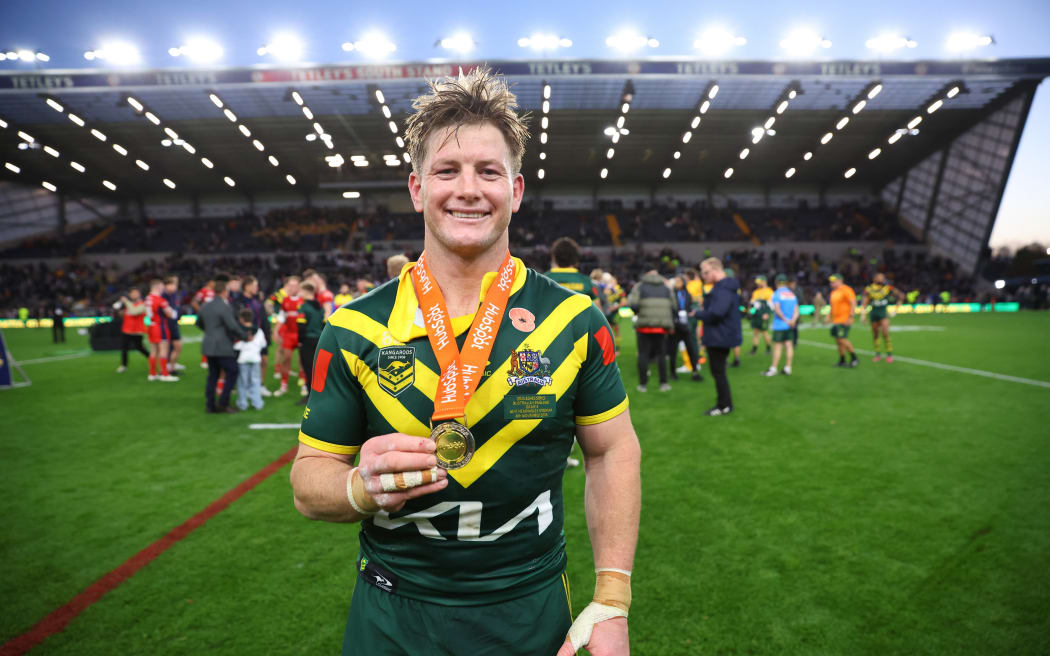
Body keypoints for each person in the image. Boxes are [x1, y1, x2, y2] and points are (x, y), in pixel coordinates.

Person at [289, 67, 640, 656]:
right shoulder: (354, 328)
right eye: (446, 171)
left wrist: (611, 600)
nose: (469, 189)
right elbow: (308, 479)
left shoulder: (573, 321)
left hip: (531, 610)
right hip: (392, 614)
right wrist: (357, 486)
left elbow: (612, 450)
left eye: (489, 171)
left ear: (517, 191)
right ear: (417, 189)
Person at [690, 258, 741, 416]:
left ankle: (724, 405)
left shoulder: (723, 288)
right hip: (721, 335)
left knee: (718, 372)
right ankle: (724, 404)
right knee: (718, 372)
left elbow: (718, 312)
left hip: (720, 336)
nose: (703, 276)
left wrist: (698, 314)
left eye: (705, 272)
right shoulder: (722, 287)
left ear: (715, 270)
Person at [197, 280, 248, 413]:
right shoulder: (224, 307)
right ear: (225, 292)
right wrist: (244, 336)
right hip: (222, 345)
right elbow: (232, 326)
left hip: (208, 344)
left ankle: (210, 405)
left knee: (213, 375)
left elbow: (198, 323)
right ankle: (224, 403)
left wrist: (210, 332)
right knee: (233, 370)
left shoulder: (205, 306)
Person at [627, 268, 675, 392]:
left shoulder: (640, 286)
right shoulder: (666, 288)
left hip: (644, 326)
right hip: (661, 327)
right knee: (661, 355)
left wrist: (639, 312)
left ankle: (643, 384)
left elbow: (632, 304)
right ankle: (663, 383)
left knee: (643, 354)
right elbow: (674, 306)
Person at [270, 275, 304, 397]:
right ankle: (284, 385)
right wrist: (275, 331)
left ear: (299, 286)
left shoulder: (304, 300)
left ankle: (304, 384)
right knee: (286, 359)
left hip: (301, 335)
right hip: (289, 335)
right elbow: (281, 318)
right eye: (290, 285)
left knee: (302, 360)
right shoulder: (285, 301)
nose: (292, 287)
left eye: (295, 285)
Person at [239, 276, 273, 397]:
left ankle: (260, 386)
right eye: (254, 285)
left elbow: (263, 317)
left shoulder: (257, 300)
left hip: (259, 335)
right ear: (247, 286)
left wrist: (268, 332)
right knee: (247, 362)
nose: (257, 288)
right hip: (247, 336)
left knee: (263, 360)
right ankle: (247, 387)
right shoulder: (240, 301)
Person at [862, 273, 906, 363]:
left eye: (883, 277)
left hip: (883, 314)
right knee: (875, 334)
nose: (882, 279)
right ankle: (878, 354)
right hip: (874, 314)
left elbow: (901, 296)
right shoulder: (869, 289)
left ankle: (889, 354)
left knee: (885, 333)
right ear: (874, 278)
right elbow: (864, 303)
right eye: (880, 277)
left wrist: (895, 310)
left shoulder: (888, 288)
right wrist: (863, 315)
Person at [763, 274, 799, 377]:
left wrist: (786, 320)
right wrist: (792, 320)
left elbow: (777, 309)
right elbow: (797, 311)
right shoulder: (792, 294)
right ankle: (788, 367)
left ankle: (773, 368)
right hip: (790, 325)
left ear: (776, 282)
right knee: (789, 345)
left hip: (780, 325)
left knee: (777, 347)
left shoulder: (776, 294)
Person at [295, 281, 324, 406]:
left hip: (307, 341)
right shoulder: (321, 307)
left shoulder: (303, 307)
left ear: (306, 292)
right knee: (318, 369)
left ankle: (310, 396)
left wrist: (300, 341)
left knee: (308, 369)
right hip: (319, 340)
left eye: (301, 291)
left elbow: (301, 326)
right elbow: (323, 324)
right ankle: (320, 394)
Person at [545, 237, 600, 303]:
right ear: (575, 257)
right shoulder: (587, 282)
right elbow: (598, 310)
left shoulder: (541, 280)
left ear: (554, 257)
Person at [669, 275, 702, 382]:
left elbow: (690, 306)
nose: (677, 283)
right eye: (676, 281)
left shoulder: (687, 294)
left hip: (685, 325)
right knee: (673, 351)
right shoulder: (672, 294)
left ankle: (695, 372)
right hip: (675, 325)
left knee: (691, 349)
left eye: (679, 281)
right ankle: (672, 373)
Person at [233, 307, 266, 411]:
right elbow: (263, 344)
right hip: (255, 358)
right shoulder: (259, 330)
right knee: (255, 381)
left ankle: (242, 403)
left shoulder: (239, 331)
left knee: (242, 382)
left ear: (241, 319)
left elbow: (236, 346)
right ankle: (257, 403)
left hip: (242, 359)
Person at [145, 279, 179, 382]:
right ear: (158, 287)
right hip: (160, 327)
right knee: (163, 350)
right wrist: (175, 312)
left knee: (153, 351)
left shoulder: (147, 298)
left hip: (151, 326)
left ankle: (152, 374)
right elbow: (171, 314)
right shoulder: (160, 300)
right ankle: (165, 374)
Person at [114, 288, 149, 373]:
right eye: (132, 293)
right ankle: (124, 365)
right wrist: (119, 310)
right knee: (124, 349)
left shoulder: (143, 304)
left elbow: (134, 312)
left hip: (137, 331)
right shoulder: (128, 304)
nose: (134, 295)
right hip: (126, 330)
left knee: (140, 348)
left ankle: (152, 359)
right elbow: (124, 314)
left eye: (135, 293)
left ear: (139, 294)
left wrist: (126, 301)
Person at [828, 274, 859, 368]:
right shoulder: (834, 292)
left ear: (840, 280)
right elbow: (833, 306)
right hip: (836, 320)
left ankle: (854, 357)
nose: (831, 283)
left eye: (834, 281)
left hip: (844, 319)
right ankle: (842, 360)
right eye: (831, 282)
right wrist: (829, 316)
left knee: (842, 339)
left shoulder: (846, 290)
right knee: (838, 340)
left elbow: (853, 302)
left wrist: (851, 316)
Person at [162, 275, 185, 373]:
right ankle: (169, 368)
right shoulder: (163, 296)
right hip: (168, 324)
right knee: (173, 346)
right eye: (173, 284)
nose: (175, 286)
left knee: (174, 346)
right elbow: (168, 311)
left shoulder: (172, 295)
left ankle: (171, 366)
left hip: (173, 323)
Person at [191, 278, 216, 369]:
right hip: (208, 318)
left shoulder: (215, 291)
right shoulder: (203, 291)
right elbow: (194, 302)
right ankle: (204, 360)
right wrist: (202, 311)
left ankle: (210, 359)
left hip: (215, 318)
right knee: (209, 338)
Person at [748, 276, 773, 355]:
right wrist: (750, 312)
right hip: (756, 315)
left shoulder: (769, 291)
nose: (758, 284)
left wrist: (767, 314)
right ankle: (754, 349)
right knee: (755, 332)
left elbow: (771, 305)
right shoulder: (756, 292)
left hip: (763, 315)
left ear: (764, 282)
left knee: (764, 332)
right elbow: (753, 304)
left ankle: (768, 349)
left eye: (760, 282)